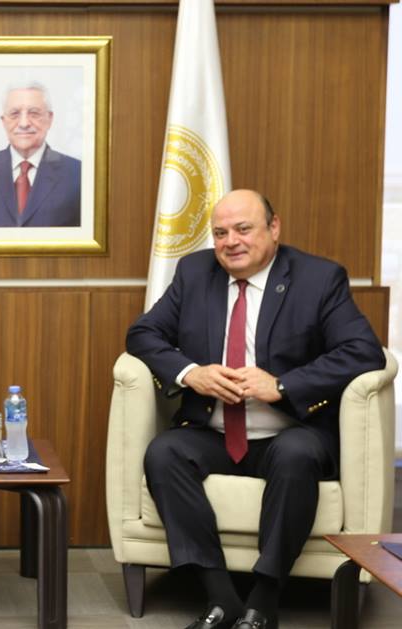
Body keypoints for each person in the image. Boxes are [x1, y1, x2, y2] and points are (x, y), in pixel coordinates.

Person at [126, 189, 385, 629]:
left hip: (291, 430)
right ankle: (221, 597)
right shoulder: (194, 272)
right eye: (220, 233)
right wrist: (191, 373)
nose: (231, 242)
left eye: (243, 229)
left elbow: (364, 352)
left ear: (274, 228)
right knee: (164, 453)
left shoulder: (319, 278)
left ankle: (263, 601)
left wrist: (282, 385)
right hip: (212, 432)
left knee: (296, 455)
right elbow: (142, 334)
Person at [0, 81, 81, 227]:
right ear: (3, 121)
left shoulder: (77, 173)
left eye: (34, 113)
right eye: (14, 114)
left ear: (49, 119)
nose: (24, 123)